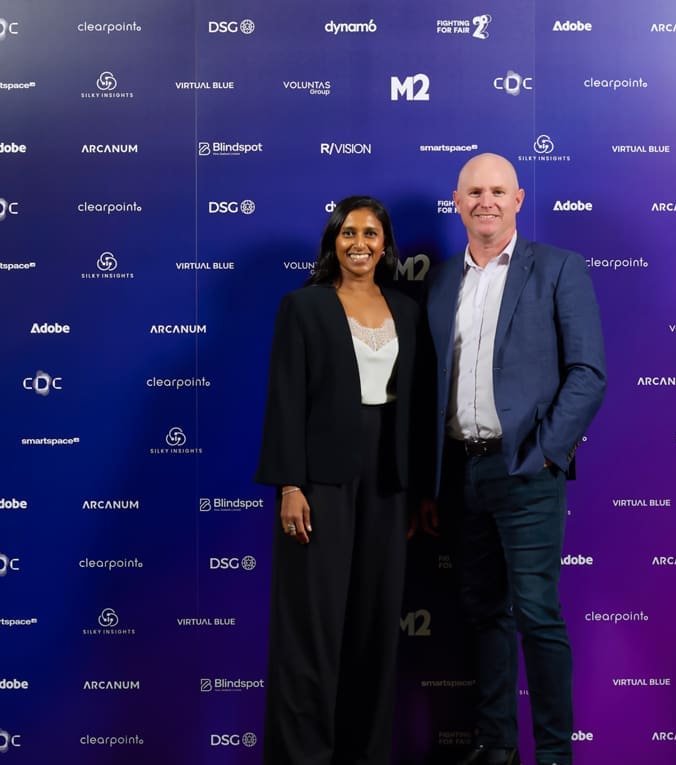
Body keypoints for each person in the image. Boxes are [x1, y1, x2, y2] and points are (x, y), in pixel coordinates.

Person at [421, 154, 606, 765]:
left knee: (537, 614)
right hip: (462, 472)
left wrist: (547, 453)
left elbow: (588, 372)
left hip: (527, 470)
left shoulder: (558, 268)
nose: (487, 202)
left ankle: (553, 754)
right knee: (483, 612)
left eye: (498, 191)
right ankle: (496, 744)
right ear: (456, 202)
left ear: (518, 200)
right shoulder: (440, 282)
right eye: (475, 192)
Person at [255, 196, 419, 764]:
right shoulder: (303, 306)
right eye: (348, 232)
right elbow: (285, 399)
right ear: (333, 240)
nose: (359, 243)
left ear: (384, 244)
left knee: (375, 625)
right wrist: (290, 485)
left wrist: (419, 490)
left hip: (389, 480)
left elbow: (418, 405)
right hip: (320, 480)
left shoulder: (408, 310)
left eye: (371, 233)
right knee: (312, 627)